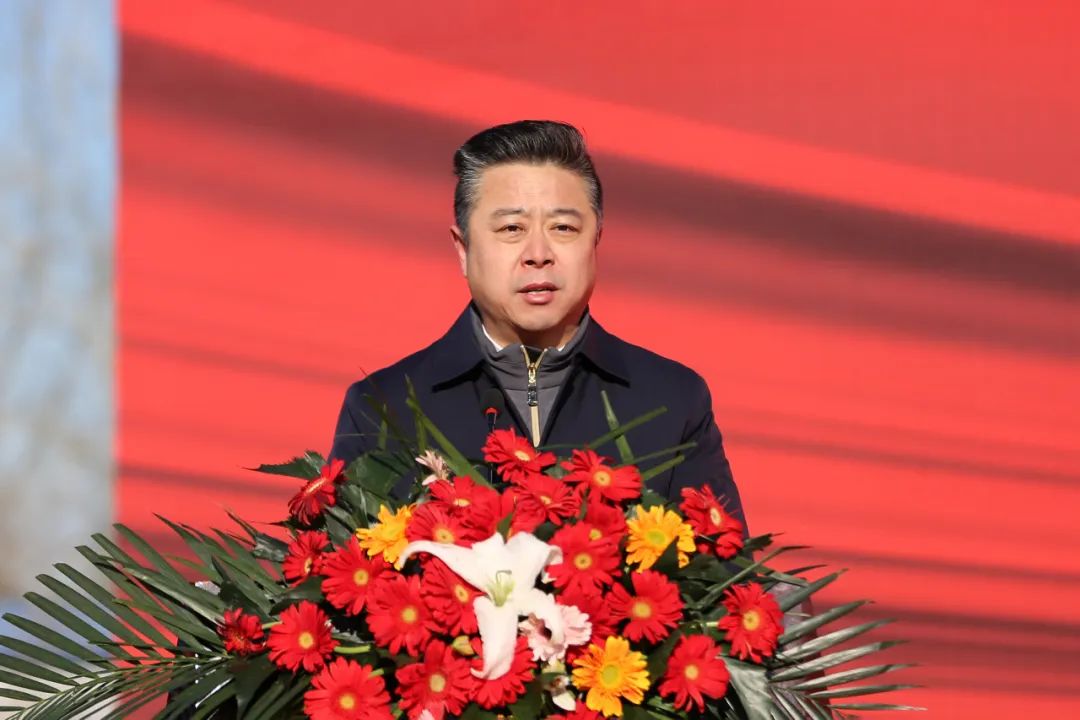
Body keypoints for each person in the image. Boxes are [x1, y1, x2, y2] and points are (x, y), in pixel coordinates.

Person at [329, 120, 746, 526]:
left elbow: (722, 565)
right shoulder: (384, 407)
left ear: (596, 240)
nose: (539, 254)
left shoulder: (671, 399)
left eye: (563, 227)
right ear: (463, 249)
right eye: (512, 228)